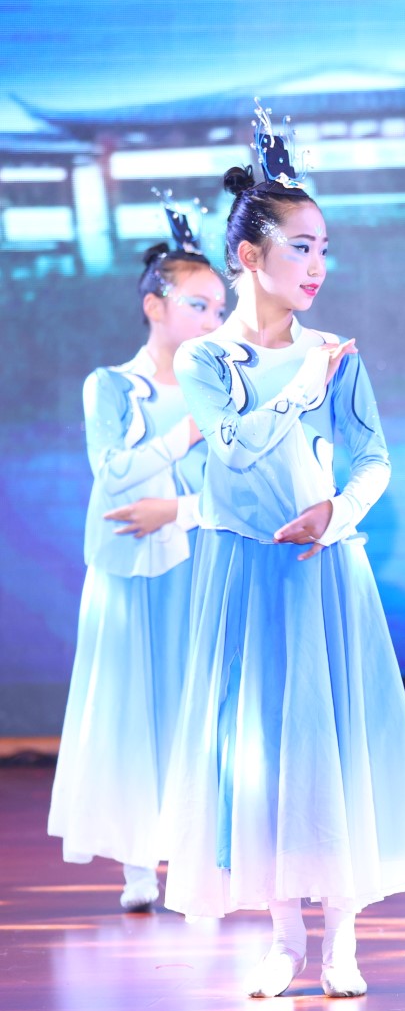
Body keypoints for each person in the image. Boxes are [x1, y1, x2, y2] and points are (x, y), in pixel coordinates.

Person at [160, 102, 405, 998]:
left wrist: (336, 512)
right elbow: (234, 450)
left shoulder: (336, 353)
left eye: (324, 247)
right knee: (257, 751)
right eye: (300, 247)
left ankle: (342, 941)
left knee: (333, 745)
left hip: (323, 567)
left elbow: (374, 458)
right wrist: (297, 390)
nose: (317, 265)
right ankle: (284, 935)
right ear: (250, 256)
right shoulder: (207, 360)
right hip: (241, 571)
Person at [48, 195, 224, 912]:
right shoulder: (113, 386)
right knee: (129, 712)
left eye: (219, 309)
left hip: (200, 560)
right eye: (197, 305)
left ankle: (201, 860)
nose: (211, 320)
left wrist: (175, 508)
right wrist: (183, 436)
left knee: (198, 707)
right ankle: (136, 861)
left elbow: (236, 490)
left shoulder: (224, 390)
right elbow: (113, 473)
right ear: (155, 305)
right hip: (129, 575)